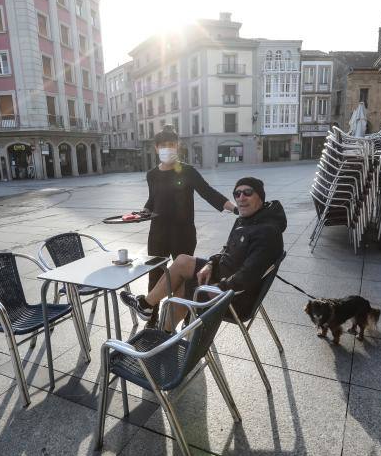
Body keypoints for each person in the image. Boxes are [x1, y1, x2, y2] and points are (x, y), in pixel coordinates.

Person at [122, 177, 286, 331]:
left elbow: (249, 274)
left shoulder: (267, 232)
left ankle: (163, 333)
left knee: (182, 288)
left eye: (248, 192)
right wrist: (210, 263)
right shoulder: (246, 219)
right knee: (182, 260)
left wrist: (220, 287)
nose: (241, 197)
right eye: (237, 193)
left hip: (233, 297)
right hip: (223, 274)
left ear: (260, 197)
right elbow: (226, 249)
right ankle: (146, 306)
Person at [141, 125, 235, 323]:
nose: (168, 149)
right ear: (156, 148)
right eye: (164, 145)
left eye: (172, 145)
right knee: (155, 273)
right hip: (157, 232)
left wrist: (234, 208)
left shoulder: (188, 171)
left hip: (183, 232)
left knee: (183, 278)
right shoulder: (152, 174)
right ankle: (151, 316)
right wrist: (144, 210)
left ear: (177, 147)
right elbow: (153, 199)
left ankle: (184, 314)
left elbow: (208, 192)